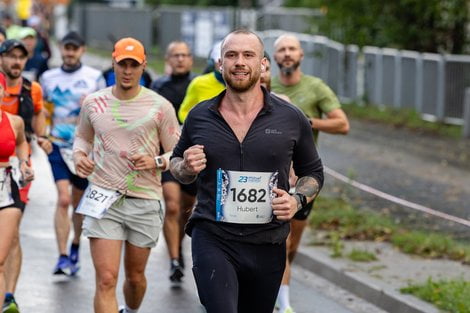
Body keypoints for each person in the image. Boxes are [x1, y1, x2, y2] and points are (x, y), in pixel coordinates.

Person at [170, 29, 324, 313]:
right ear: (220, 64)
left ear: (263, 64)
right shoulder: (200, 115)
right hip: (213, 236)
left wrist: (296, 200)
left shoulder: (291, 117)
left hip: (268, 241)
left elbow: (313, 172)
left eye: (248, 55)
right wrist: (187, 167)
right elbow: (176, 164)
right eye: (231, 55)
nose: (239, 62)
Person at [73, 37, 180, 313]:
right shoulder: (93, 103)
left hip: (144, 199)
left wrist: (154, 161)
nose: (128, 71)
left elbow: (177, 153)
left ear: (144, 66)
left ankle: (130, 310)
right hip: (103, 196)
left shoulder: (160, 107)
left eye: (134, 65)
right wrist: (79, 157)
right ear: (113, 63)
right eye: (123, 64)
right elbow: (82, 138)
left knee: (134, 279)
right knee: (106, 279)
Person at [272, 33, 350, 313]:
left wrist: (307, 121)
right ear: (274, 56)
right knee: (279, 241)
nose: (287, 54)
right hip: (270, 173)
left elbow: (342, 124)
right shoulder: (266, 84)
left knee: (290, 244)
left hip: (304, 177)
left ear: (301, 55)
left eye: (292, 49)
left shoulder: (315, 87)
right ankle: (280, 300)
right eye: (282, 50)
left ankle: (279, 283)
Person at [40, 30, 106, 276]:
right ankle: (62, 256)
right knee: (63, 198)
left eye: (74, 48)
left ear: (82, 50)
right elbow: (43, 111)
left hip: (84, 148)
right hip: (57, 144)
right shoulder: (48, 77)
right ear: (60, 48)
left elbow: (103, 113)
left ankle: (75, 246)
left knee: (78, 202)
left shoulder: (94, 77)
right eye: (66, 48)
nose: (69, 53)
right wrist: (43, 136)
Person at [0, 38, 51, 313]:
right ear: (2, 59)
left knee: (12, 233)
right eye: (10, 56)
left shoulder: (32, 89)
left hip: (17, 169)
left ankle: (9, 295)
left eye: (21, 57)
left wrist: (42, 138)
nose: (16, 62)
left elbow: (37, 118)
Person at [151, 40, 197, 287]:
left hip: (193, 158)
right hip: (168, 155)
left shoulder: (198, 85)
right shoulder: (159, 86)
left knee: (187, 210)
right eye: (176, 55)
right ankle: (174, 260)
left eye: (185, 55)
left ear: (191, 59)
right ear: (168, 59)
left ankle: (178, 244)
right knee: (171, 206)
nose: (180, 59)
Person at [0, 72, 34, 313]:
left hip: (7, 187)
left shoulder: (14, 122)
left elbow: (21, 142)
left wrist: (24, 163)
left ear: (3, 92)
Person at [177, 41, 225, 123]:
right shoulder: (198, 83)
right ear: (212, 62)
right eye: (219, 60)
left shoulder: (248, 84)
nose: (224, 64)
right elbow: (184, 111)